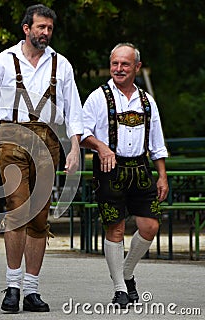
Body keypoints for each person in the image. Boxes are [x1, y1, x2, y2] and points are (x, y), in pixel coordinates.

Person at [0, 4, 83, 313]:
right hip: (11, 139)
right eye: (40, 28)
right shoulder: (3, 62)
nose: (46, 33)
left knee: (39, 218)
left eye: (49, 28)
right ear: (26, 28)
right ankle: (12, 287)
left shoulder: (61, 65)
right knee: (17, 208)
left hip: (48, 142)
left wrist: (74, 148)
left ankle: (32, 290)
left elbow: (73, 112)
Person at [80, 43, 169, 308]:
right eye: (115, 64)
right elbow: (82, 133)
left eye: (125, 64)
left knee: (150, 225)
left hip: (141, 169)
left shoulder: (146, 101)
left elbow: (157, 142)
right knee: (115, 228)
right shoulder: (98, 97)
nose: (119, 69)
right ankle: (120, 288)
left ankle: (127, 272)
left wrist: (162, 175)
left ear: (137, 67)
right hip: (109, 170)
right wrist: (101, 146)